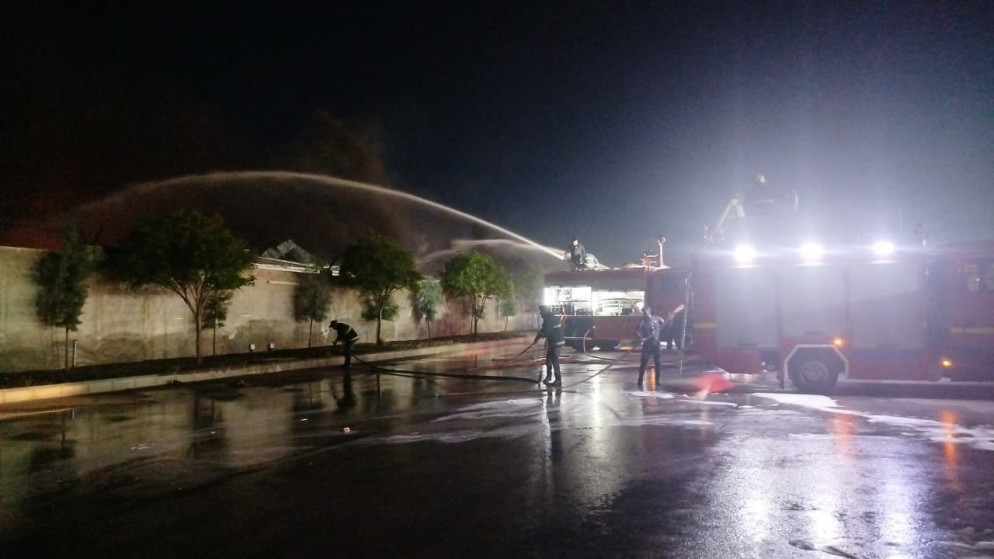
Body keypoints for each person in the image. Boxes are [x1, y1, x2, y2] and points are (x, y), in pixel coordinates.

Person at [534, 305, 565, 387]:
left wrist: (540, 336)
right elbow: (543, 329)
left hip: (557, 342)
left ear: (545, 311)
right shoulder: (547, 318)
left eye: (541, 312)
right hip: (552, 342)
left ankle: (558, 380)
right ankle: (549, 377)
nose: (540, 314)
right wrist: (537, 338)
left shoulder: (551, 319)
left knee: (554, 361)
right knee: (548, 361)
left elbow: (546, 331)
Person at [635, 305, 666, 386]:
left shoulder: (657, 319)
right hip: (647, 345)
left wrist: (670, 319)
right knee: (644, 362)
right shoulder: (642, 322)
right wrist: (641, 338)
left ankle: (657, 380)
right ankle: (640, 380)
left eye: (645, 312)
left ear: (649, 311)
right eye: (643, 313)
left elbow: (665, 324)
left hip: (656, 344)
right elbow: (638, 332)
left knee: (658, 363)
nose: (644, 314)